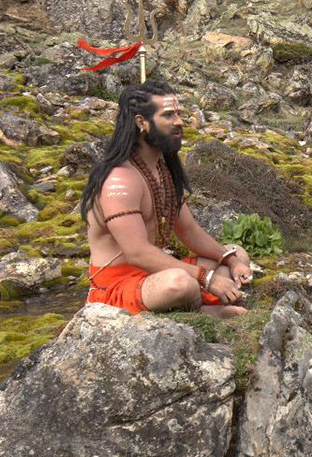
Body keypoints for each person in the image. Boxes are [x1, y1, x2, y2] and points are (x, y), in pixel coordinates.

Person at [79, 81, 253, 317]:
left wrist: (230, 260)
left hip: (154, 274)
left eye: (178, 114)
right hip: (116, 287)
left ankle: (202, 299)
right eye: (168, 115)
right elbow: (137, 253)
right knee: (179, 283)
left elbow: (188, 231)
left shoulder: (162, 171)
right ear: (142, 122)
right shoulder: (119, 181)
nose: (179, 122)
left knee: (237, 253)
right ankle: (203, 311)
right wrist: (207, 278)